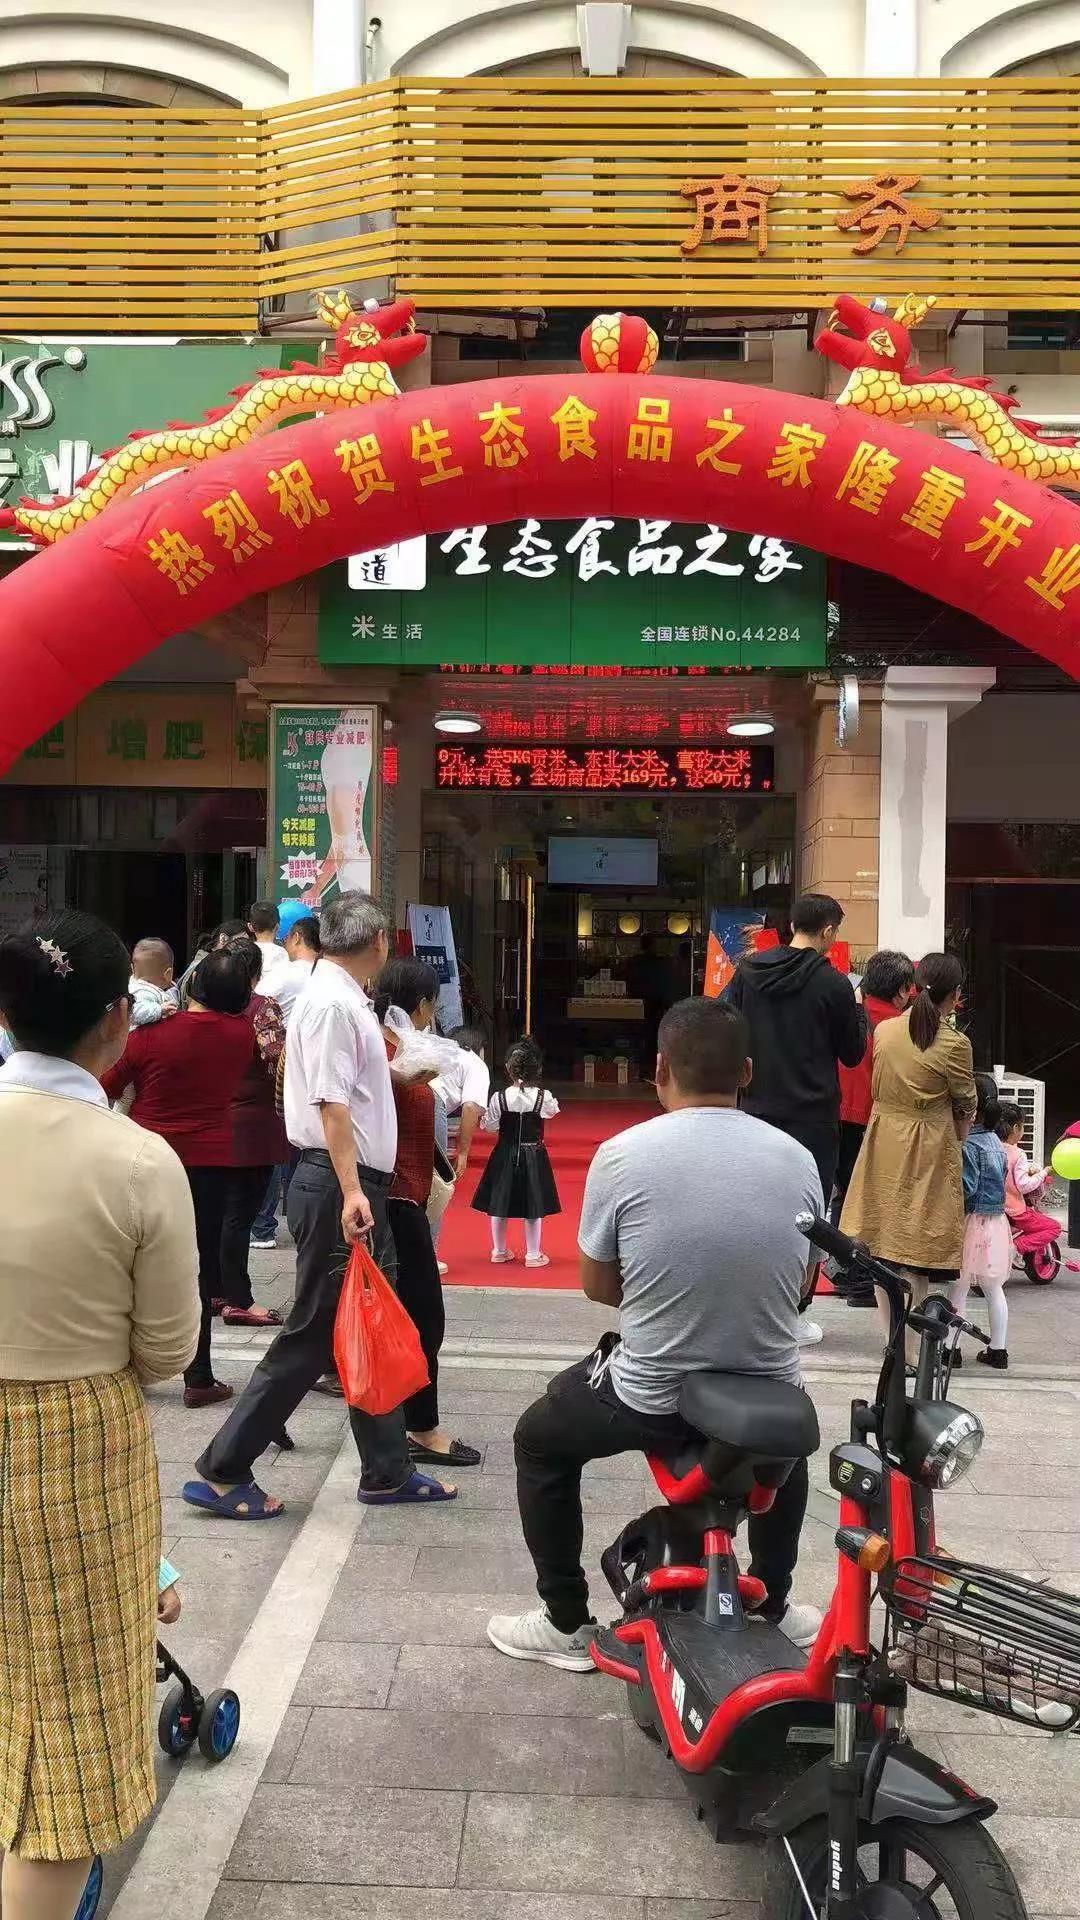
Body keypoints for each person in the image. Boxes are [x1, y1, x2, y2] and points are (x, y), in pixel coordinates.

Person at [487, 998, 823, 1672]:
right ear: (747, 1072)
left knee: (539, 1440)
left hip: (650, 1394)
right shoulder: (798, 1158)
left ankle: (565, 1621)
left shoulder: (623, 1154)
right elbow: (801, 1284)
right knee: (787, 1441)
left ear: (661, 1068)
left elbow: (597, 1285)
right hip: (763, 1384)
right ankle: (775, 1602)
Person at [0, 910, 199, 1919]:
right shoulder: (136, 1160)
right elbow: (167, 1349)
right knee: (68, 1739)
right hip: (73, 1436)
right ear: (119, 1017)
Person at [183, 893, 456, 1520]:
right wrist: (354, 1190)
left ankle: (387, 1468)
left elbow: (344, 1090)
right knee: (313, 1332)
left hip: (347, 1179)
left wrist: (392, 1086)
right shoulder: (333, 1003)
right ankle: (224, 1468)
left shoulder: (341, 998)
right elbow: (331, 1103)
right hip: (340, 1181)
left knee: (366, 1321)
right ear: (379, 941)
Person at [102, 947, 264, 1408]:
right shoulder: (242, 1035)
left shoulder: (151, 1035)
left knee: (130, 1258)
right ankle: (200, 1376)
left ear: (193, 984)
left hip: (146, 1156)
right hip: (210, 1162)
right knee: (201, 1265)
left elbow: (106, 1084)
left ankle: (124, 1365)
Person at [725, 893, 866, 1346]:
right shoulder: (833, 984)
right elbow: (852, 1053)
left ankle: (749, 1309)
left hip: (756, 1110)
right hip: (813, 1118)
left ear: (791, 926)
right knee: (809, 1216)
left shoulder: (748, 972)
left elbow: (727, 1029)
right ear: (827, 931)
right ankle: (792, 1315)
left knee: (754, 1207)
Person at [841, 952, 978, 1366]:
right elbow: (965, 1102)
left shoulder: (886, 1030)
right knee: (916, 1252)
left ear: (915, 987)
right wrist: (958, 1138)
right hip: (928, 1144)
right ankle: (912, 1351)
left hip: (883, 1139)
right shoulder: (954, 1043)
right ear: (955, 995)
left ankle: (892, 1342)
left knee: (884, 1245)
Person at [375, 958, 481, 1468]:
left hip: (405, 1193)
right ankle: (420, 1427)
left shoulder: (399, 1048)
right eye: (432, 1005)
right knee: (423, 1316)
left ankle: (415, 1422)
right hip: (392, 1198)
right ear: (422, 1005)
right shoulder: (384, 1051)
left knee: (411, 1315)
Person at [218, 936, 288, 1328]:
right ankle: (237, 1297)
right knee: (239, 1215)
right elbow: (277, 1061)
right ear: (257, 973)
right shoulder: (261, 1009)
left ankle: (215, 1288)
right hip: (252, 1125)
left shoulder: (203, 1008)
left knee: (217, 1213)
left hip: (211, 1120)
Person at [472, 1037, 560, 1268]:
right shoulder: (543, 1097)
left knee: (499, 1202)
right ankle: (533, 1254)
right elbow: (551, 1113)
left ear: (508, 1069)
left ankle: (499, 1251)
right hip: (533, 1154)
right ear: (536, 1070)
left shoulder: (499, 1097)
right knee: (533, 1204)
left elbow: (490, 1126)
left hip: (504, 1152)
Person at [951, 1074, 1011, 1371]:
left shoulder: (968, 1144)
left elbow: (966, 1188)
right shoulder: (997, 1143)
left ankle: (951, 1350)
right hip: (997, 1223)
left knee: (959, 1287)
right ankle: (998, 1350)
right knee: (993, 1288)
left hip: (970, 1221)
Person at [431, 1025, 491, 1275]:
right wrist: (463, 1152)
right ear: (480, 1047)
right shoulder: (475, 1062)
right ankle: (428, 1255)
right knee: (436, 1183)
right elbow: (470, 1107)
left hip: (410, 1097)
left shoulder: (440, 1050)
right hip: (432, 1102)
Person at [178, 917, 246, 1008]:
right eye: (241, 942)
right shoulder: (202, 967)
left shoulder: (209, 965)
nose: (245, 948)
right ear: (223, 939)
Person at [128, 936, 179, 1027]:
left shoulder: (139, 985)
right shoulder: (142, 992)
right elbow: (136, 1013)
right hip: (139, 1034)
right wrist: (160, 1009)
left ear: (132, 968)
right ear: (167, 974)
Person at [247, 900, 293, 1001]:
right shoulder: (283, 953)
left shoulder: (245, 951)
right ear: (277, 926)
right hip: (273, 1006)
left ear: (250, 927)